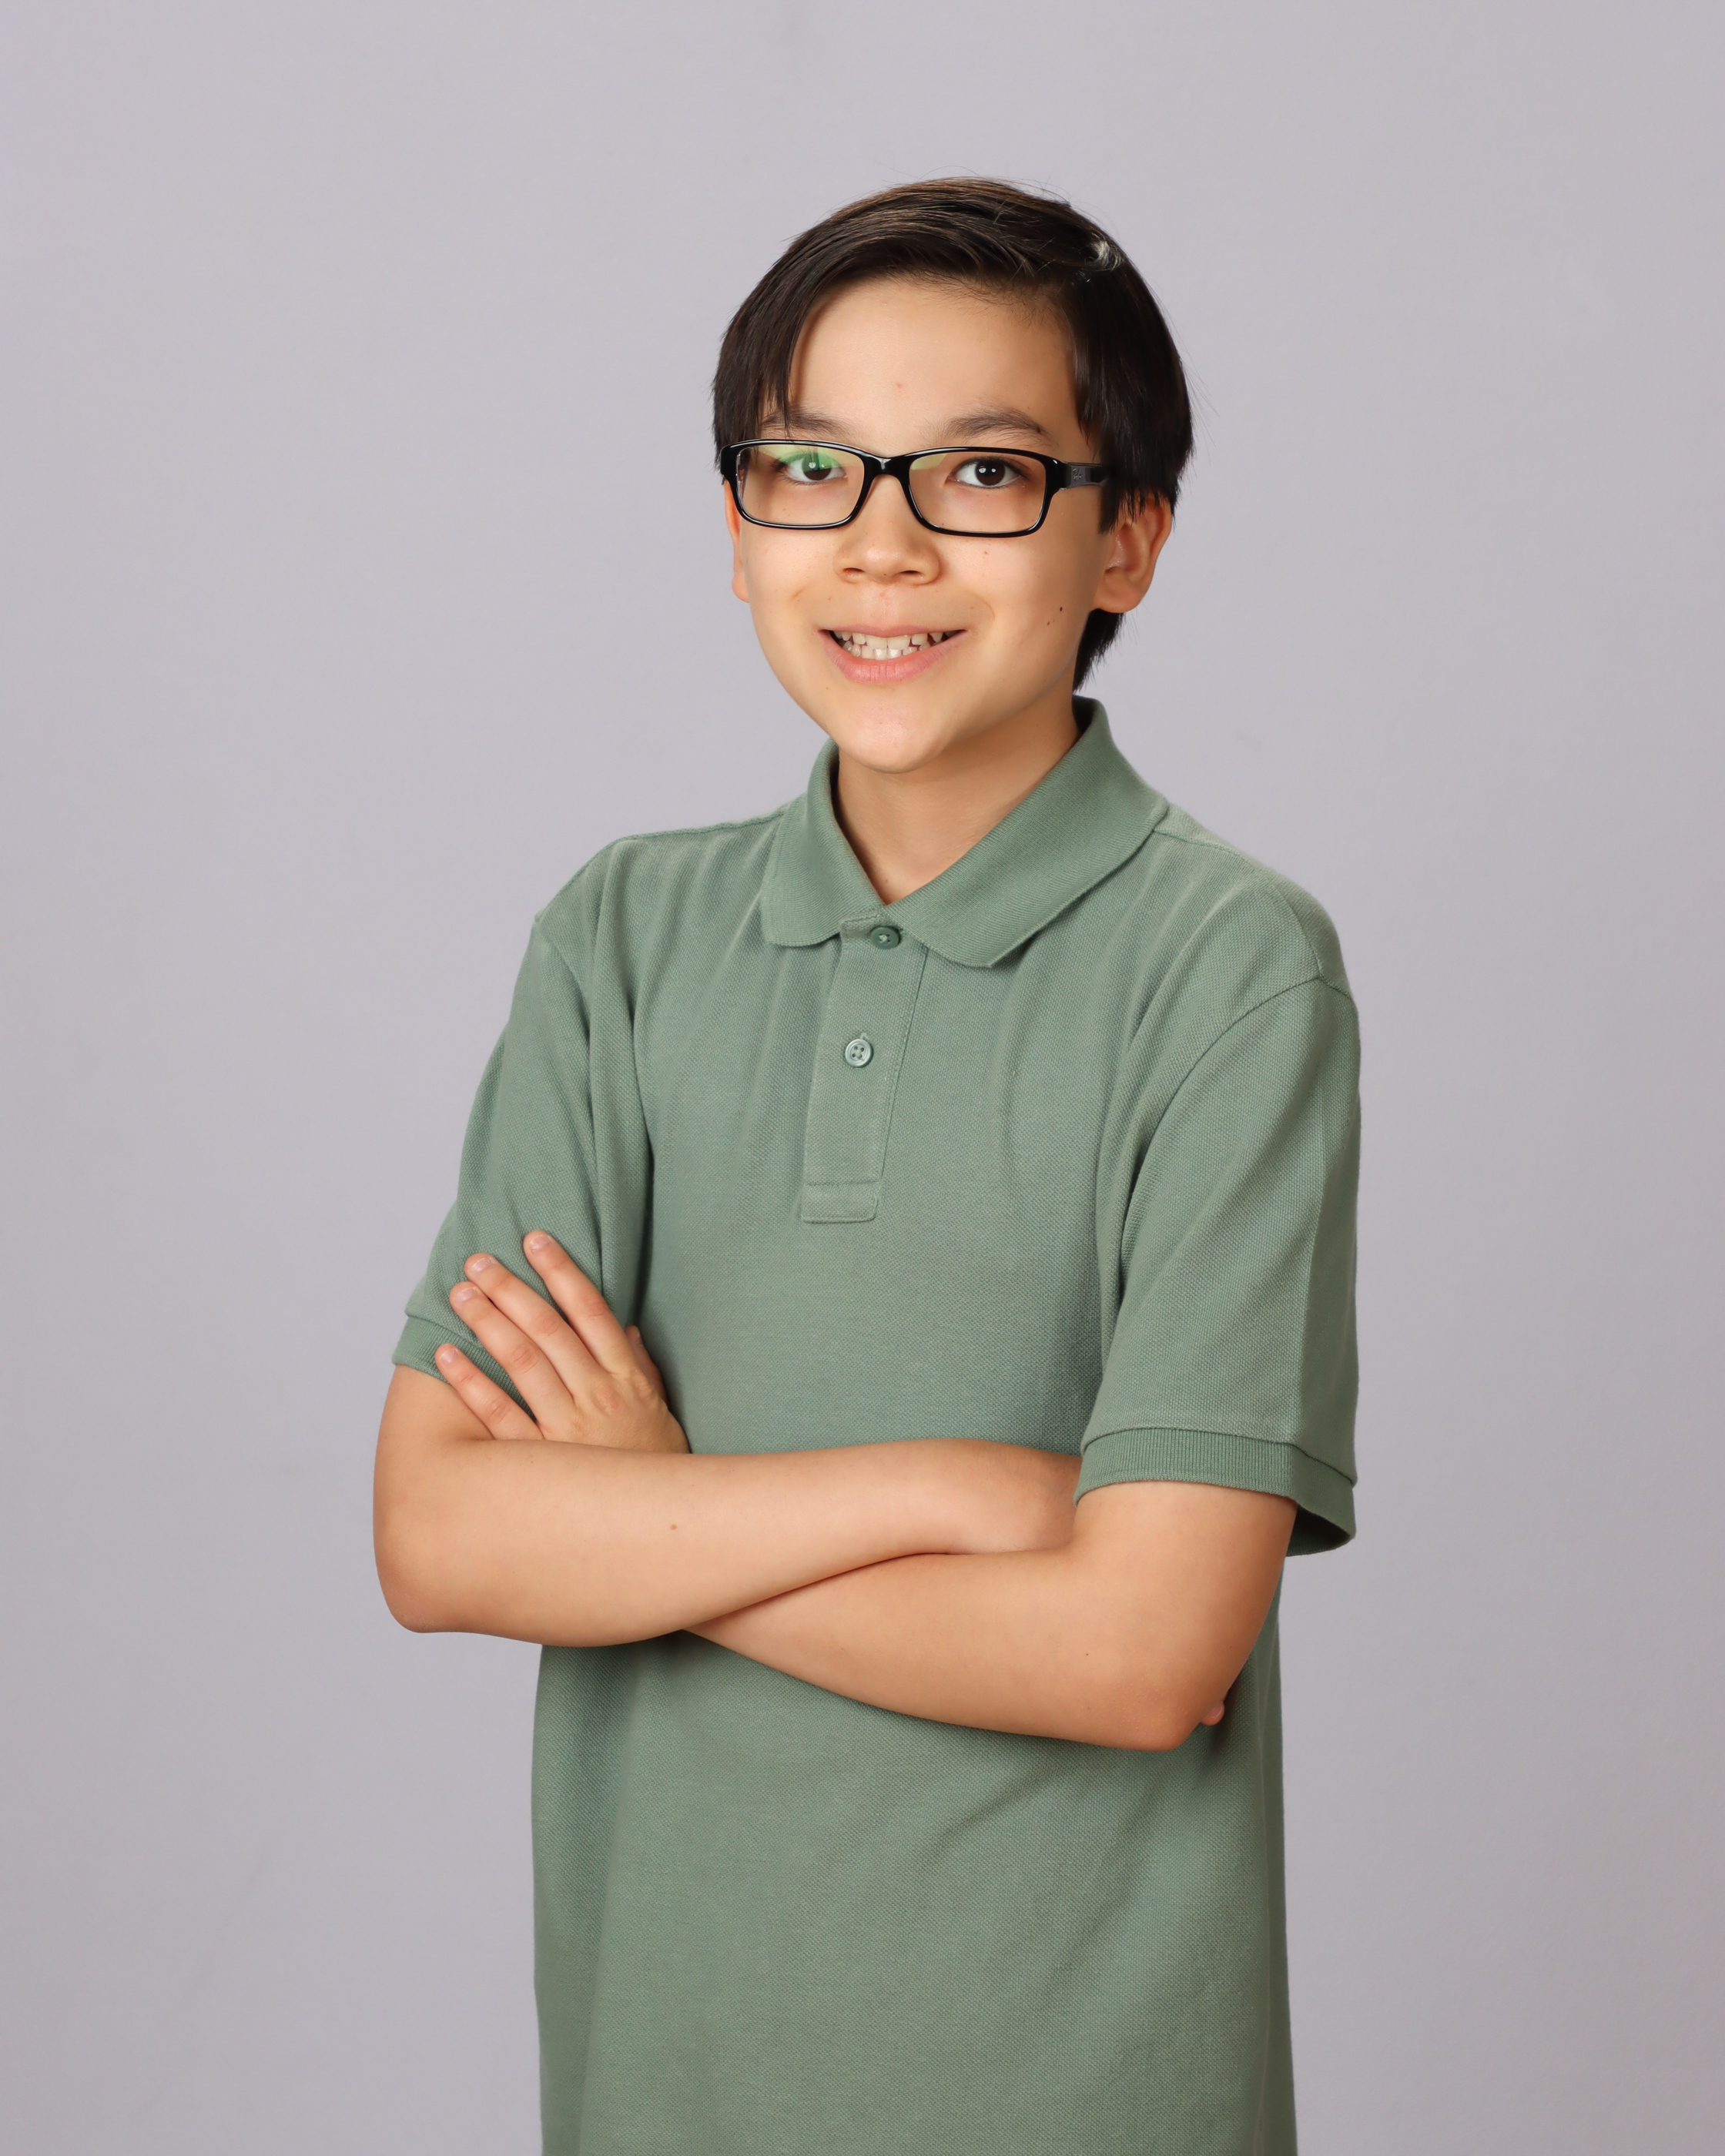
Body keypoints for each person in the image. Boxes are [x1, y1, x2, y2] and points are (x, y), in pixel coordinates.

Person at [374, 177, 1360, 2156]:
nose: (880, 543)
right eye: (809, 467)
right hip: (667, 2085)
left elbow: (1139, 1653)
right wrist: (947, 1490)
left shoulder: (1227, 968)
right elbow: (444, 1538)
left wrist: (652, 1517)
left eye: (982, 472)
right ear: (740, 528)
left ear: (1126, 537)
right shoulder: (623, 941)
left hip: (1091, 2099)